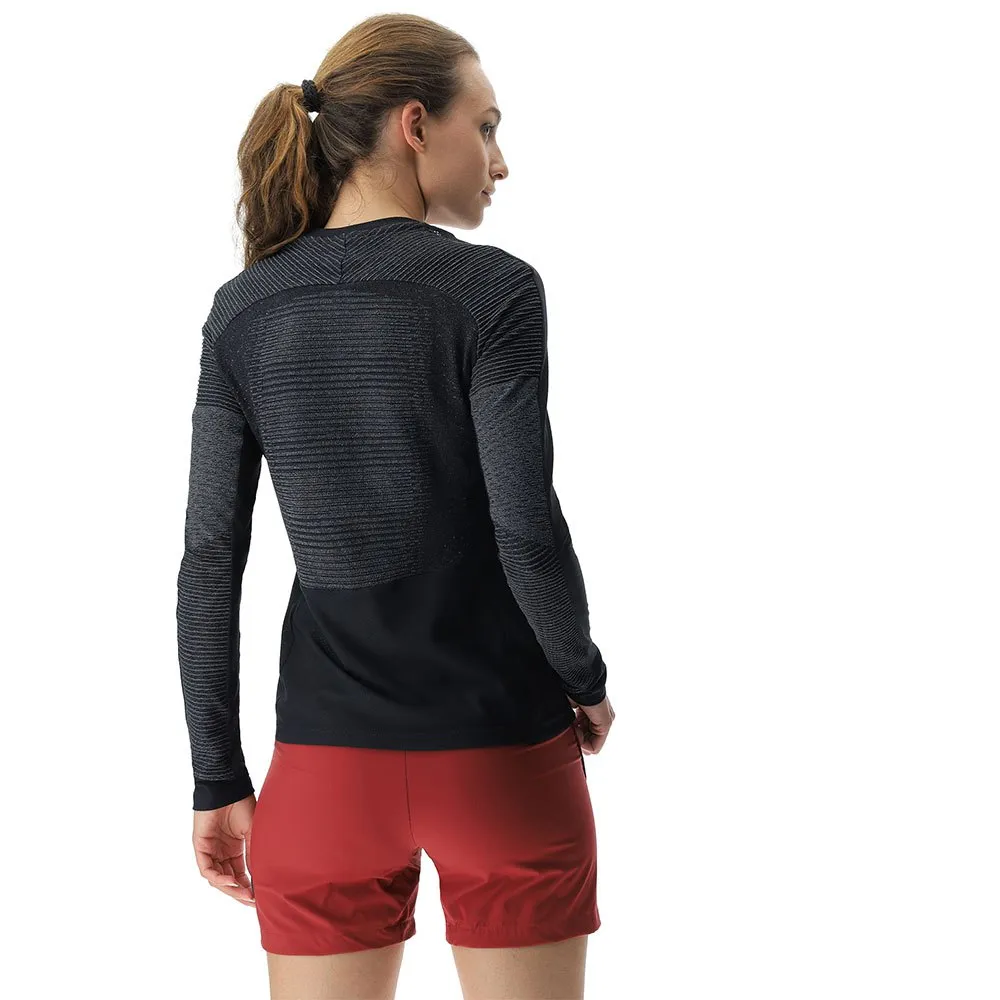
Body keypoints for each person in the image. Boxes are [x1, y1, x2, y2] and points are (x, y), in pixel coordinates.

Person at [175, 13, 615, 1000]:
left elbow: (210, 559)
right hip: (501, 752)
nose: (499, 162)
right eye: (486, 127)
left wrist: (216, 773)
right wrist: (582, 676)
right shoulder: (490, 290)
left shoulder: (243, 311)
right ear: (415, 124)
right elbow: (525, 526)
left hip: (322, 771)